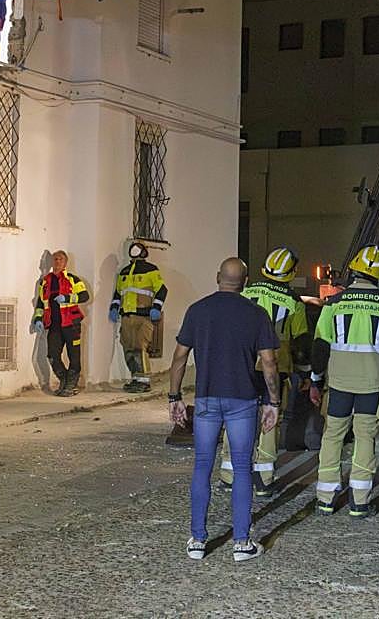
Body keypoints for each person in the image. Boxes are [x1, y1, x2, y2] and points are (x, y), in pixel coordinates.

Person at [168, 257, 280, 562]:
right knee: (243, 467)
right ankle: (242, 543)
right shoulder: (256, 314)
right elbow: (269, 363)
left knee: (202, 466)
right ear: (245, 281)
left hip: (206, 399)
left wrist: (174, 397)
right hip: (243, 400)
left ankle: (197, 541)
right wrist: (273, 402)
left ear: (218, 277)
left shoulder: (198, 311)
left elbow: (179, 358)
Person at [309, 245, 379, 518]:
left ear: (354, 270)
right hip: (372, 385)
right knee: (365, 437)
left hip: (339, 385)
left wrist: (316, 381)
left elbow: (320, 346)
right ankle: (359, 502)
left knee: (333, 437)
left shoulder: (333, 305)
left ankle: (326, 499)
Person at [217, 247, 309, 496]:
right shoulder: (294, 304)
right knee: (270, 418)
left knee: (236, 416)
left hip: (241, 364)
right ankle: (264, 478)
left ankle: (229, 473)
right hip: (274, 368)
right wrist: (305, 373)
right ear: (291, 273)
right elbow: (300, 344)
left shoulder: (245, 292)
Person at [109, 241, 168, 392]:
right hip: (127, 316)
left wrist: (156, 307)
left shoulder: (151, 270)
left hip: (144, 316)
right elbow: (118, 293)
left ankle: (144, 380)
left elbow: (162, 290)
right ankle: (136, 377)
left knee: (140, 347)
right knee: (128, 347)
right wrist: (114, 307)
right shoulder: (124, 272)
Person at [32, 250, 90, 396]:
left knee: (74, 356)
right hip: (54, 325)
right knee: (52, 355)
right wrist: (38, 319)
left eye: (60, 259)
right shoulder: (45, 282)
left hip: (71, 324)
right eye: (55, 259)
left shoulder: (73, 279)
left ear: (65, 262)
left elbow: (85, 296)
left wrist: (68, 298)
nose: (57, 262)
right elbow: (40, 303)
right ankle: (64, 380)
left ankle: (71, 385)